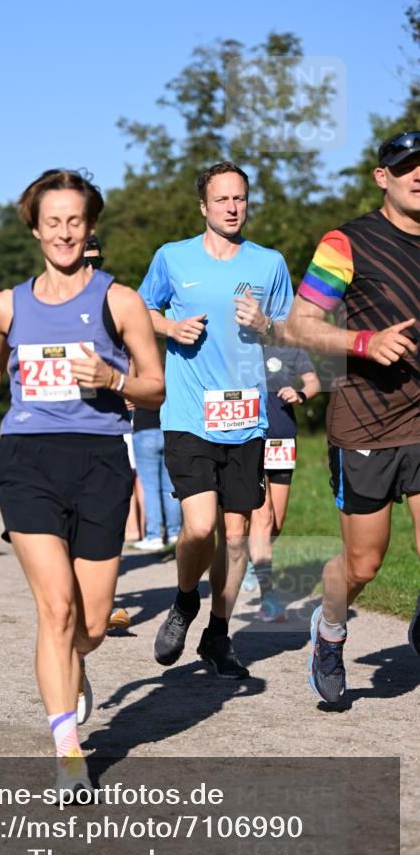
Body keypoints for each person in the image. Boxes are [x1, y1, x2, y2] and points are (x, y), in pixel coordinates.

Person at [0, 168, 164, 795]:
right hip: (28, 460)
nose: (65, 232)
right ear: (36, 229)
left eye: (75, 221)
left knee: (91, 625)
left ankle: (74, 666)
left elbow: (156, 386)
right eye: (53, 222)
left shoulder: (120, 301)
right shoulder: (7, 304)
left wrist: (113, 380)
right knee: (57, 607)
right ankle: (68, 749)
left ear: (89, 227)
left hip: (100, 461)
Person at [138, 161, 293, 678]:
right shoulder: (172, 257)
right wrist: (170, 327)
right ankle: (185, 600)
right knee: (201, 525)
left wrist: (267, 324)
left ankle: (218, 635)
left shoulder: (269, 263)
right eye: (222, 199)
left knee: (235, 532)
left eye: (239, 198)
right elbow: (139, 312)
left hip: (246, 415)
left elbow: (294, 332)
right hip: (189, 412)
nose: (232, 207)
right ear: (203, 206)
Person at [284, 129, 420, 702]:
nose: (419, 175)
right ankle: (331, 631)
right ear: (382, 178)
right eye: (406, 166)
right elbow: (298, 325)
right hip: (366, 421)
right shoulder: (347, 243)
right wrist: (365, 342)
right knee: (363, 563)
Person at [242, 345, 320, 621]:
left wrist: (300, 394)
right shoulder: (242, 348)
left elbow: (313, 382)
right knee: (264, 517)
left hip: (283, 441)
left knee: (276, 522)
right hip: (252, 440)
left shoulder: (292, 351)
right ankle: (269, 598)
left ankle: (253, 557)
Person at [132, 406, 182, 551]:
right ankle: (175, 534)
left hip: (144, 429)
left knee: (150, 489)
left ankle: (154, 536)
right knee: (170, 487)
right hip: (169, 429)